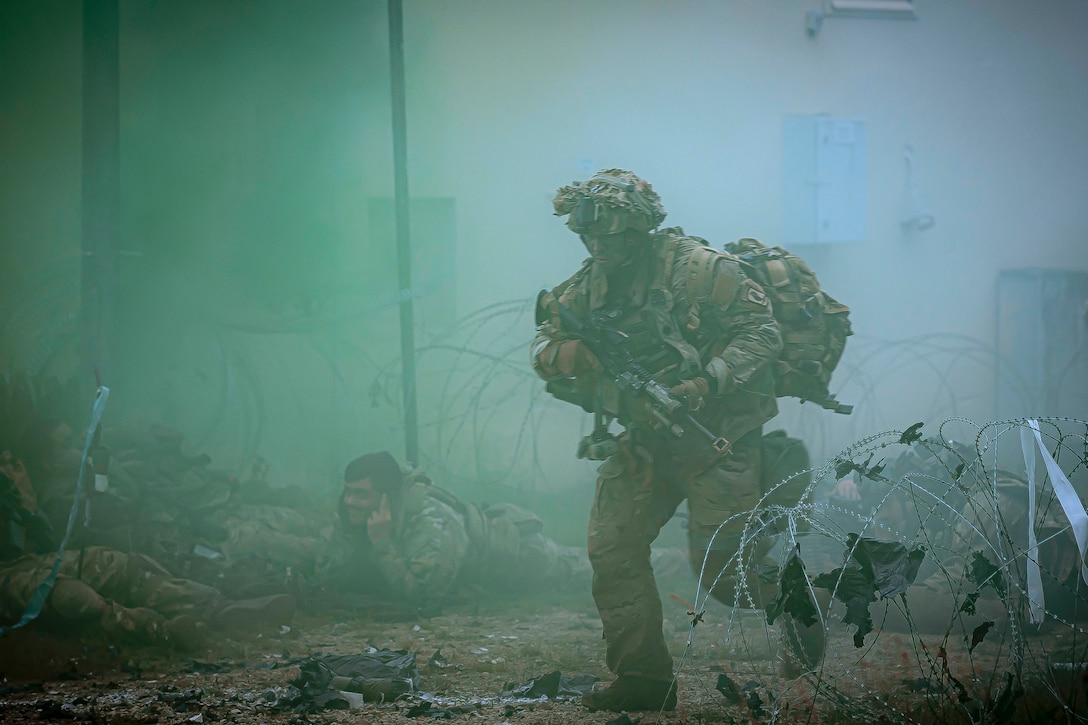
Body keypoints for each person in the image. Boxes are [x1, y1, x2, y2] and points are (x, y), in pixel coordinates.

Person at [531, 169, 821, 712]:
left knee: (721, 570)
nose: (598, 246)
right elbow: (543, 346)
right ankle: (643, 677)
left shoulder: (703, 270)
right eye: (589, 237)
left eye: (610, 236)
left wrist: (704, 381)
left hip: (719, 439)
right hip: (646, 441)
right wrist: (572, 355)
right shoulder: (588, 286)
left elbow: (763, 333)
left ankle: (799, 602)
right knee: (612, 548)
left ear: (638, 228)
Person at [0, 447, 296, 649]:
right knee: (69, 597)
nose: (11, 473)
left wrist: (27, 510)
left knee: (115, 563)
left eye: (14, 465)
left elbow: (49, 546)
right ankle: (158, 630)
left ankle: (218, 608)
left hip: (27, 561)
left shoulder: (22, 504)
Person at [321, 451, 590, 609]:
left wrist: (381, 546)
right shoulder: (358, 515)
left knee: (596, 570)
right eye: (348, 492)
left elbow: (424, 597)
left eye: (360, 495)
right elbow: (329, 567)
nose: (349, 502)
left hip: (525, 561)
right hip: (490, 568)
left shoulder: (432, 521)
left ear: (386, 497)